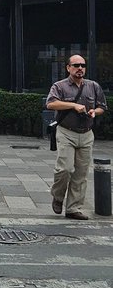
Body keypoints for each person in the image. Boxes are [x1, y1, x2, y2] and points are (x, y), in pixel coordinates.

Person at [46, 55, 107, 220]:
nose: (80, 68)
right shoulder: (59, 86)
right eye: (76, 65)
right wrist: (73, 105)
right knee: (64, 168)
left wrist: (95, 112)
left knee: (81, 173)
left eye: (83, 65)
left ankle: (73, 208)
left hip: (87, 133)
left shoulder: (93, 86)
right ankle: (58, 197)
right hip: (66, 131)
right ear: (68, 68)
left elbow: (102, 106)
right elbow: (50, 104)